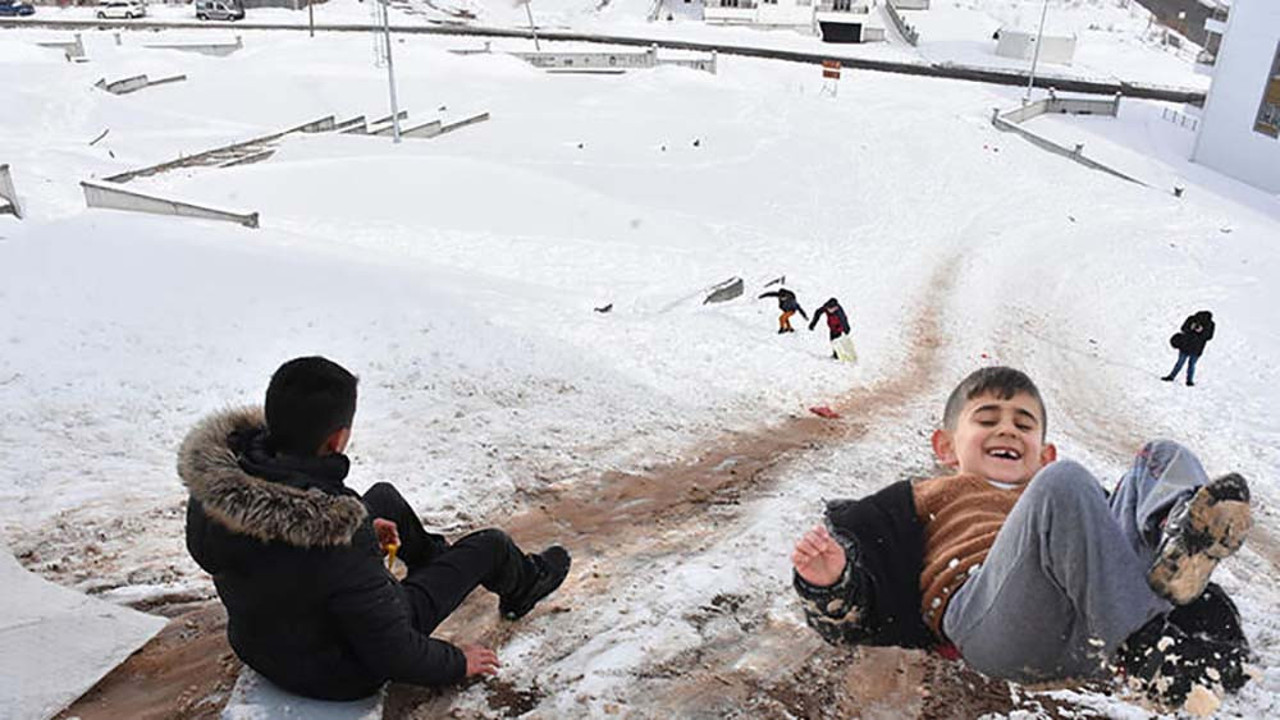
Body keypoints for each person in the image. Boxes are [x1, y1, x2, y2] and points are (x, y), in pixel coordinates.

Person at [791, 366, 1253, 707]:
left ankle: (1177, 531)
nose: (1007, 428)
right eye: (987, 419)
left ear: (1043, 452)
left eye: (1023, 424)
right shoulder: (924, 493)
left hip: (1091, 627)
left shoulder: (1068, 497)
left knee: (1160, 454)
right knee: (1068, 484)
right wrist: (833, 580)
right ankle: (1145, 647)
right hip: (995, 621)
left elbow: (1097, 516)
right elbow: (867, 579)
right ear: (946, 446)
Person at [179, 356, 571, 701]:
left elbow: (288, 535)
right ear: (337, 439)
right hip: (338, 673)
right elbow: (394, 653)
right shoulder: (338, 539)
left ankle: (433, 566)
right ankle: (524, 586)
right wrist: (457, 662)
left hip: (262, 643)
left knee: (382, 498)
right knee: (491, 546)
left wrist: (365, 525)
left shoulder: (217, 492)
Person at [1163, 310, 1215, 386]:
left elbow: (1208, 336)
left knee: (1182, 363)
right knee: (1189, 364)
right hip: (1193, 347)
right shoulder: (1192, 319)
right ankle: (1189, 381)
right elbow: (1184, 328)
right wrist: (1191, 328)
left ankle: (1172, 377)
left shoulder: (1209, 324)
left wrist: (1201, 331)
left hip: (1190, 347)